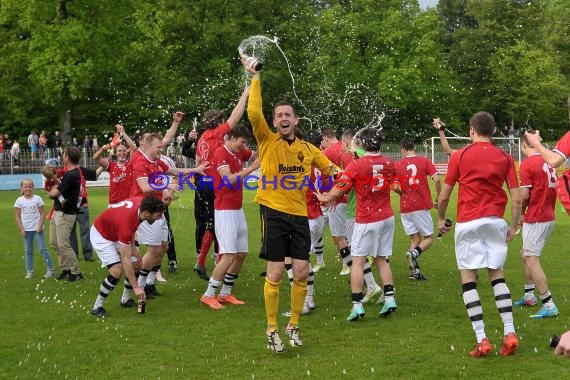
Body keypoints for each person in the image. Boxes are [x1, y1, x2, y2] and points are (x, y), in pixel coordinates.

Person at [242, 58, 337, 353]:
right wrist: (255, 78)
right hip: (273, 214)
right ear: (274, 121)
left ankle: (293, 325)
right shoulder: (266, 141)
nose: (283, 118)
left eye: (288, 114)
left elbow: (334, 170)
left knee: (301, 272)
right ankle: (271, 328)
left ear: (296, 121)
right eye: (279, 115)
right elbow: (253, 111)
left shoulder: (308, 150)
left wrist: (336, 188)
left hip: (299, 216)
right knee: (275, 274)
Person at [437, 111, 521, 358]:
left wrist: (441, 218)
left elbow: (444, 195)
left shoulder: (461, 155)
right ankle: (509, 331)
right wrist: (513, 227)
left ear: (471, 130)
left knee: (469, 278)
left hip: (468, 222)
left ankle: (482, 338)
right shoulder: (505, 157)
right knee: (497, 275)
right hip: (495, 221)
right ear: (493, 131)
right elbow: (516, 199)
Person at [316, 127, 400, 321]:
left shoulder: (357, 164)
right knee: (381, 258)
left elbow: (339, 190)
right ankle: (390, 298)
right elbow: (397, 187)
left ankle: (357, 305)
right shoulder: (389, 161)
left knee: (358, 261)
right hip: (387, 216)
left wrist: (324, 197)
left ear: (362, 143)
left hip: (367, 217)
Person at [193, 87, 250, 280]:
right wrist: (245, 95)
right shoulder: (215, 134)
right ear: (217, 122)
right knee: (216, 225)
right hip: (213, 183)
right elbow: (235, 117)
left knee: (210, 223)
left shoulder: (201, 138)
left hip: (202, 181)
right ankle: (209, 262)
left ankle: (205, 260)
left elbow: (198, 160)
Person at [200, 125, 259, 309]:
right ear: (232, 138)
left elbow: (257, 154)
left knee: (241, 253)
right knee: (229, 255)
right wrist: (252, 169)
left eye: (246, 143)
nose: (244, 146)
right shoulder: (221, 153)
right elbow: (228, 179)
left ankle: (225, 293)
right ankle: (209, 294)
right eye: (242, 142)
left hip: (237, 209)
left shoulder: (238, 152)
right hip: (225, 210)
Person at [89, 195, 165, 318]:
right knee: (117, 270)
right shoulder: (127, 224)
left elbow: (132, 225)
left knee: (138, 265)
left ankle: (125, 300)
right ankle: (97, 307)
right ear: (146, 213)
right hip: (102, 235)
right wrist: (136, 287)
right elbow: (125, 261)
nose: (159, 218)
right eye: (158, 215)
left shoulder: (142, 205)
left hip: (116, 230)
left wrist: (134, 249)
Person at [512, 131, 559, 318]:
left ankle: (548, 303)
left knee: (531, 259)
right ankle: (529, 295)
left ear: (524, 145)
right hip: (548, 215)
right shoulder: (549, 160)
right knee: (525, 254)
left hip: (537, 216)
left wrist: (521, 214)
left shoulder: (528, 164)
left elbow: (523, 195)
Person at [395, 138, 441, 280]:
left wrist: (402, 193)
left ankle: (414, 273)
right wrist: (438, 198)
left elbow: (396, 187)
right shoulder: (424, 161)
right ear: (413, 147)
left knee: (415, 239)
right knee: (428, 238)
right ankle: (415, 254)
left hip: (405, 207)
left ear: (403, 149)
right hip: (420, 205)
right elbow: (437, 180)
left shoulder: (398, 165)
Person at [47, 146, 84, 282]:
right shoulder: (70, 174)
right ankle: (65, 269)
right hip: (58, 212)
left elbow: (55, 194)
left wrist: (50, 193)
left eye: (64, 154)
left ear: (68, 157)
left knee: (63, 245)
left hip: (65, 214)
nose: (62, 156)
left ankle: (76, 272)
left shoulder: (72, 174)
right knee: (54, 243)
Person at [14, 179, 56, 279]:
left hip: (38, 229)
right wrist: (21, 229)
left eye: (30, 186)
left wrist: (40, 226)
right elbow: (17, 216)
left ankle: (51, 270)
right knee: (28, 251)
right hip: (26, 230)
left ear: (33, 188)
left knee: (43, 249)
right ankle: (29, 271)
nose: (28, 188)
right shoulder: (19, 201)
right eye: (25, 186)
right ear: (22, 188)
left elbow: (42, 214)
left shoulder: (37, 199)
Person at [93, 124, 137, 205]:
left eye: (124, 151)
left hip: (128, 203)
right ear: (116, 153)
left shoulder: (131, 164)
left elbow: (134, 148)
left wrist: (122, 132)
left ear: (127, 152)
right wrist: (102, 150)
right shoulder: (111, 165)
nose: (122, 153)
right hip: (113, 203)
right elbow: (96, 158)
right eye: (119, 151)